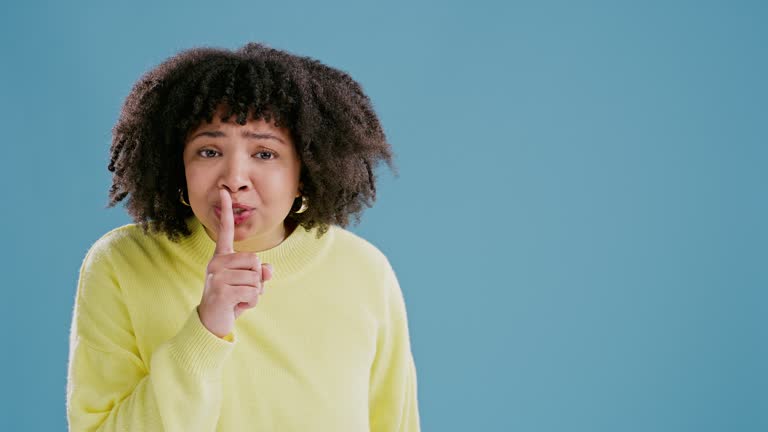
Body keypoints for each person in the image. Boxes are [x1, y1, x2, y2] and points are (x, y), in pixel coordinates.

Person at [66, 42, 420, 431]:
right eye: (208, 151)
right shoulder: (121, 263)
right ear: (176, 164)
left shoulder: (364, 271)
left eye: (265, 153)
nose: (234, 179)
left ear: (304, 171)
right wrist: (205, 331)